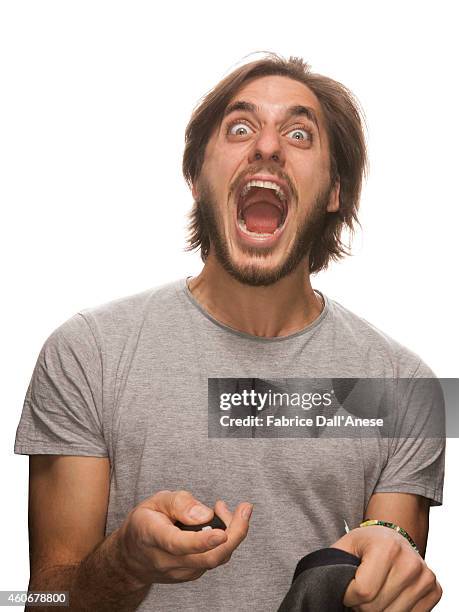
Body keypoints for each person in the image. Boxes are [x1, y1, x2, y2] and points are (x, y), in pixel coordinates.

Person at [14, 53, 445, 611]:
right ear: (197, 178)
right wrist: (124, 562)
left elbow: (386, 563)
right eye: (240, 129)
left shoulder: (404, 388)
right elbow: (45, 601)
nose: (267, 147)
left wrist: (394, 556)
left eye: (299, 133)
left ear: (335, 191)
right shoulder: (86, 354)